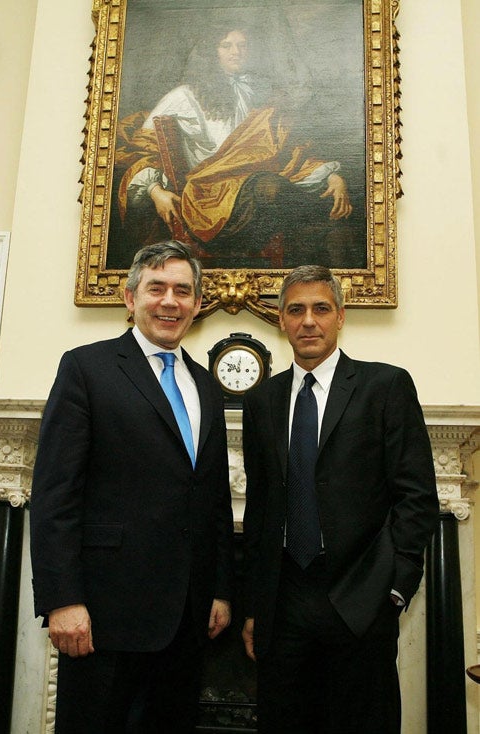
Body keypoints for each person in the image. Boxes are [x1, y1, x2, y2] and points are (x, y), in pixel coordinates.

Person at [30, 240, 235, 733]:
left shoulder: (206, 384)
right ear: (130, 298)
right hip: (104, 615)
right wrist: (62, 600)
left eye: (183, 291)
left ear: (197, 303)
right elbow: (55, 494)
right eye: (156, 288)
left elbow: (213, 499)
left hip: (187, 620)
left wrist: (222, 590)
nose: (170, 301)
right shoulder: (86, 368)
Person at [240, 265, 439, 733]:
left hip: (361, 597)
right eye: (296, 310)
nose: (309, 321)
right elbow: (260, 507)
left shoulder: (385, 387)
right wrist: (254, 604)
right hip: (283, 601)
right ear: (281, 321)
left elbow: (416, 496)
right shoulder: (261, 401)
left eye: (320, 309)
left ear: (341, 316)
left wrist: (394, 588)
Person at [115, 26, 353, 264]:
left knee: (283, 194)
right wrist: (155, 191)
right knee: (272, 189)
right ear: (212, 52)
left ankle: (323, 234)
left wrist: (331, 176)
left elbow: (283, 149)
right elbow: (141, 147)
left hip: (253, 191)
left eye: (242, 45)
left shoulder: (257, 93)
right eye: (226, 45)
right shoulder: (184, 96)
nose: (236, 52)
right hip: (210, 200)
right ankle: (320, 225)